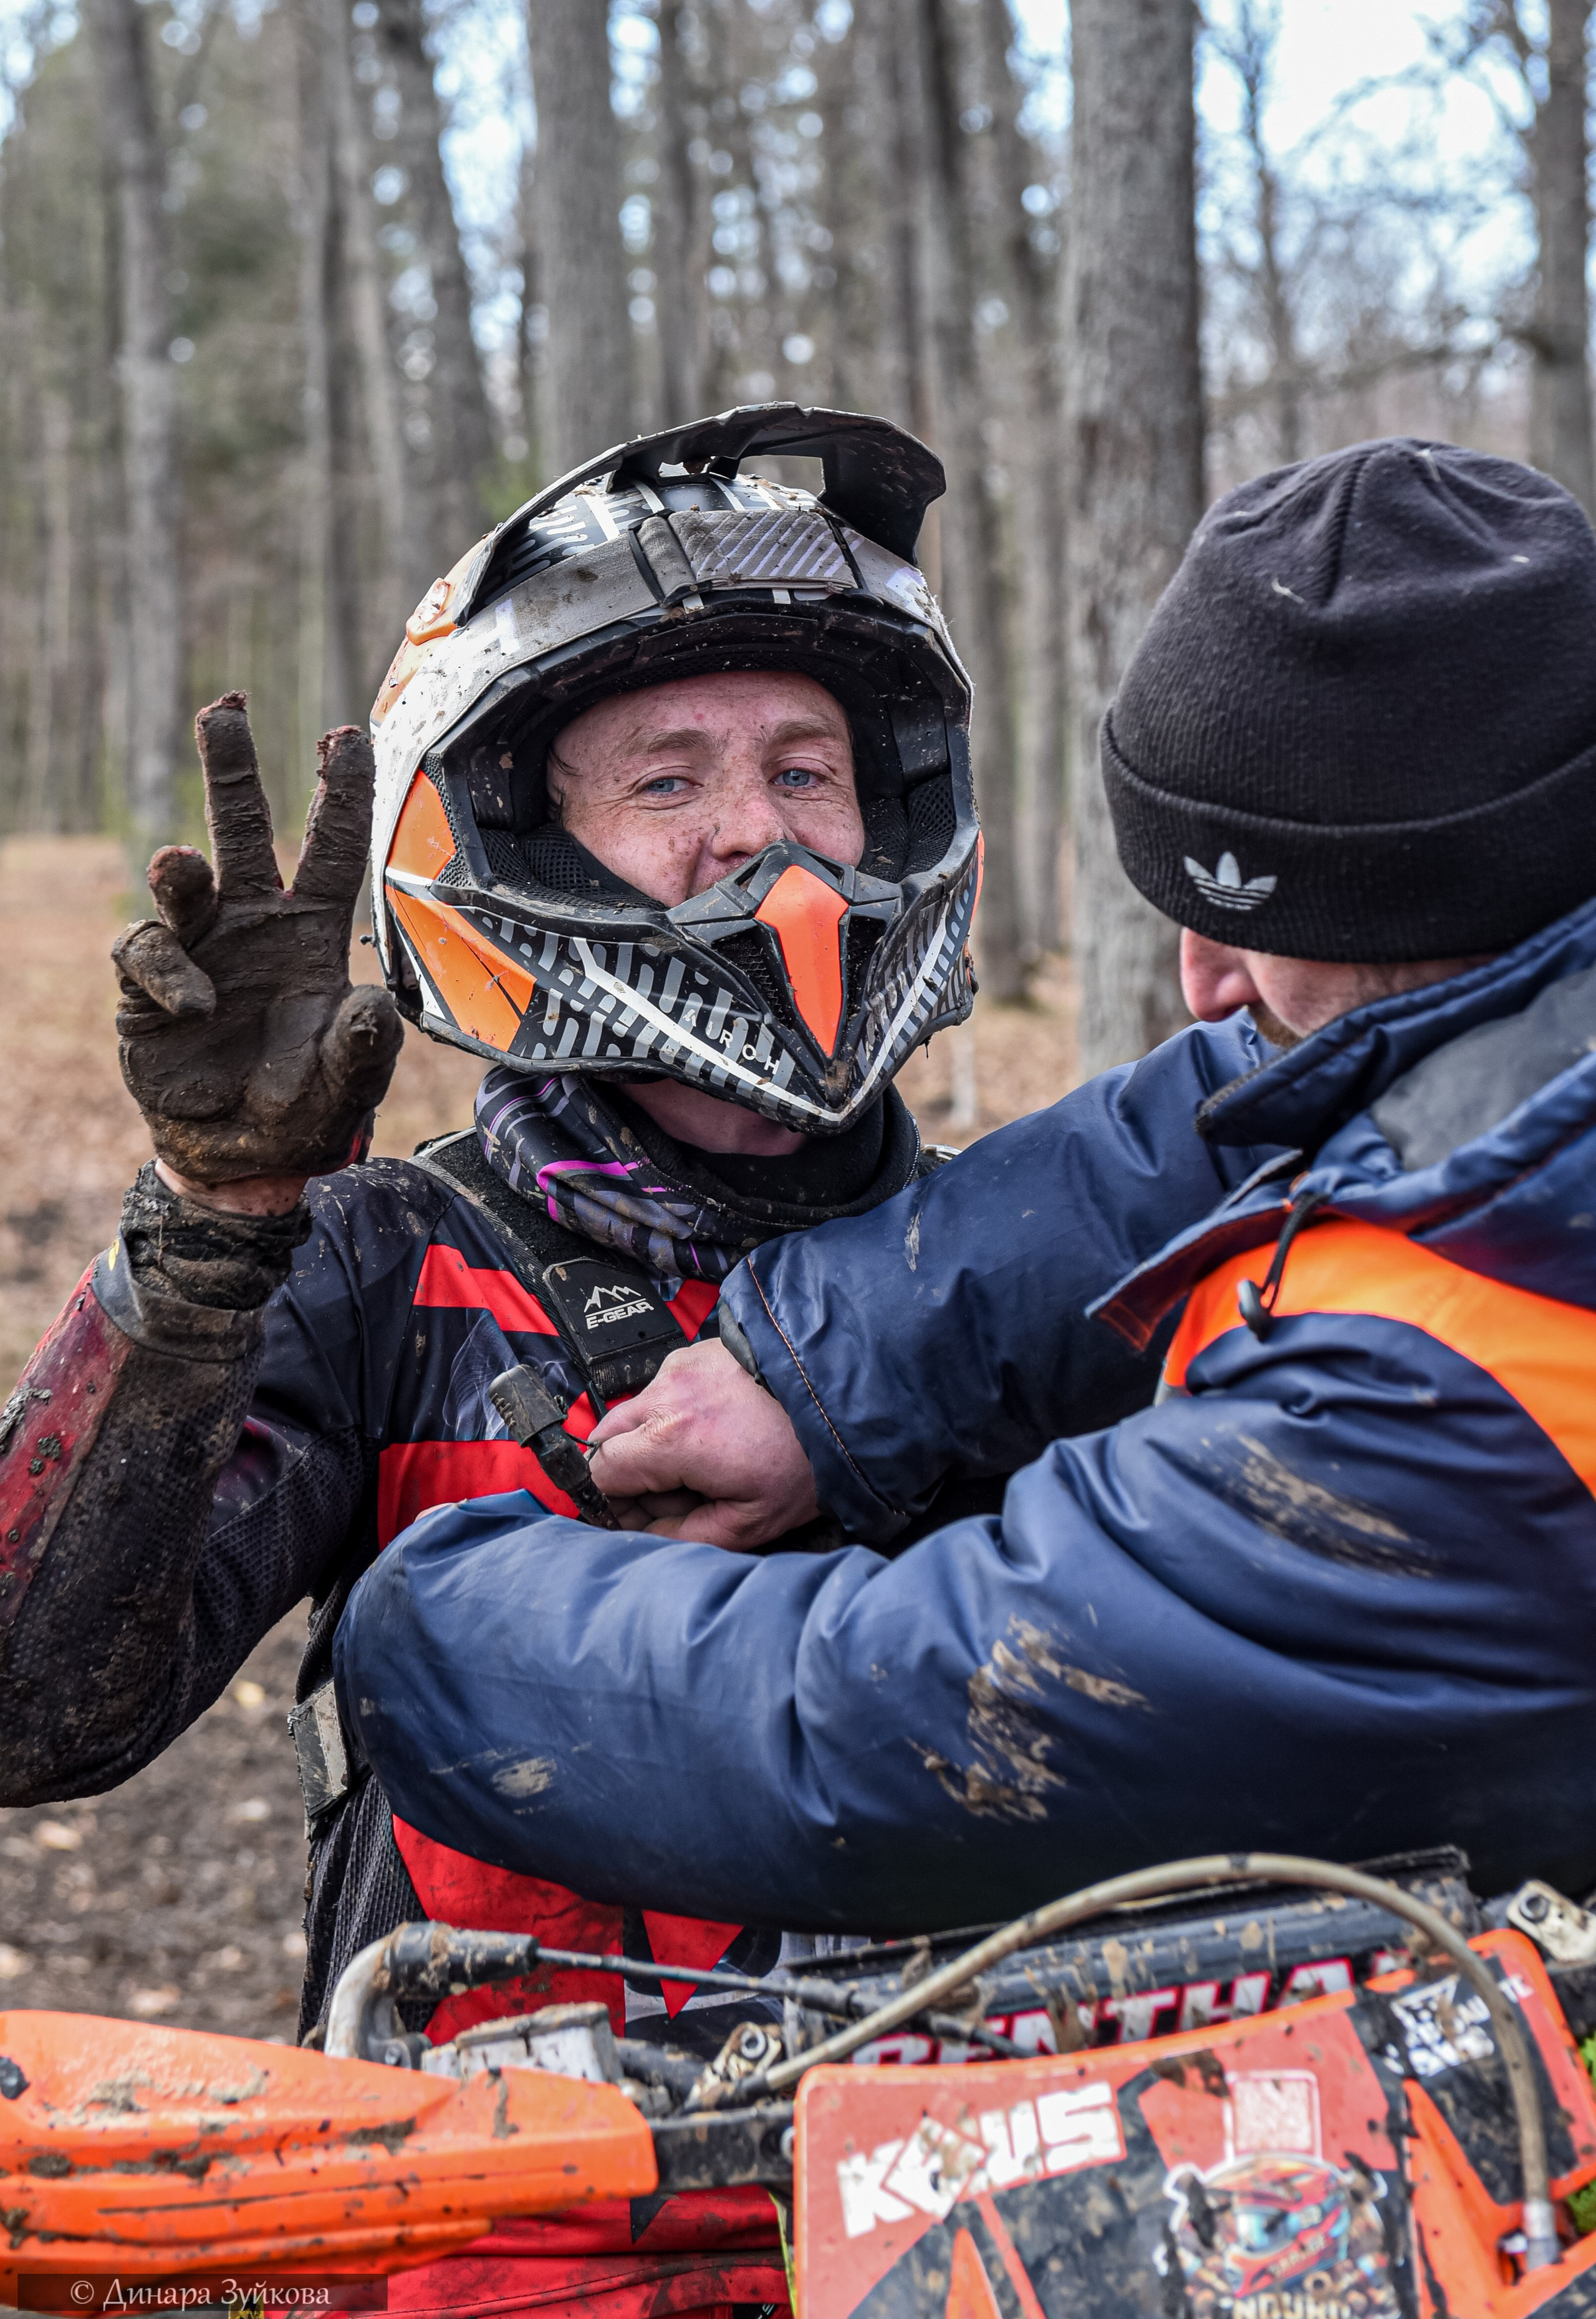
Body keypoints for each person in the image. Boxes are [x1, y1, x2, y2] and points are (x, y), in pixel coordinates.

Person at [0, 404, 991, 2319]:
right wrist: (215, 1226)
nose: (762, 832)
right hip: (478, 2246)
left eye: (808, 765)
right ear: (538, 841)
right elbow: (36, 1706)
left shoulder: (1009, 1269)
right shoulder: (397, 1263)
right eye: (671, 780)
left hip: (943, 2227)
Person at [335, 436, 1596, 1941]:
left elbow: (914, 1724)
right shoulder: (392, 1259)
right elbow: (1222, 1114)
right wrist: (828, 1358)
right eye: (665, 781)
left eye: (1260, 913)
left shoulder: (1468, 1370)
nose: (1202, 990)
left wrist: (428, 1630)